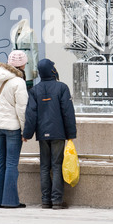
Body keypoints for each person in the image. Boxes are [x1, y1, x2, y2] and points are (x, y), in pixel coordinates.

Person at [22, 58, 77, 209]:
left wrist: (27, 134)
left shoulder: (34, 90)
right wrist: (71, 133)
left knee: (44, 166)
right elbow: (68, 112)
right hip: (58, 133)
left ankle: (46, 200)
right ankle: (57, 200)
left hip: (42, 134)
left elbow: (31, 114)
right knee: (57, 165)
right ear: (52, 70)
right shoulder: (62, 88)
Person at [0, 50, 29, 208]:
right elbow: (22, 109)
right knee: (11, 164)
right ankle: (10, 201)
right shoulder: (19, 82)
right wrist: (25, 130)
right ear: (22, 64)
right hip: (12, 128)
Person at [10, 19, 39, 89]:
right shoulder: (14, 32)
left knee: (27, 85)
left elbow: (35, 51)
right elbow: (13, 47)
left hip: (26, 59)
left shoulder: (30, 32)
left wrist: (35, 68)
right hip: (14, 59)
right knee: (15, 84)